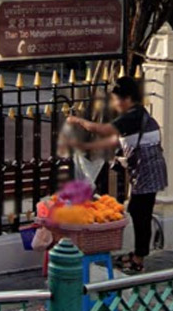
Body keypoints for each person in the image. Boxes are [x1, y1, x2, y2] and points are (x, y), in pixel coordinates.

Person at [67, 76, 167, 274]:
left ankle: (138, 258)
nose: (114, 103)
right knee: (139, 211)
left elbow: (104, 130)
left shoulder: (132, 116)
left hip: (148, 172)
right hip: (149, 170)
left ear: (126, 98)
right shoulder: (137, 114)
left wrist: (77, 120)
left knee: (140, 212)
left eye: (116, 99)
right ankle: (138, 254)